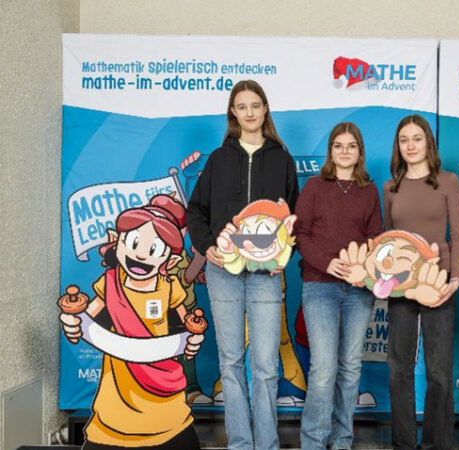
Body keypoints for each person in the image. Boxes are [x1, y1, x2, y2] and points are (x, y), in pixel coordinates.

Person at [186, 79, 298, 450]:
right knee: (231, 363)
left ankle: (266, 444)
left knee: (265, 365)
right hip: (223, 274)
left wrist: (284, 254)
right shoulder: (219, 160)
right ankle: (239, 444)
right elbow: (196, 211)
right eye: (242, 106)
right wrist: (207, 247)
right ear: (233, 113)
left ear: (265, 109)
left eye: (255, 105)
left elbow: (293, 218)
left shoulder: (282, 160)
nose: (249, 112)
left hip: (266, 276)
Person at [59, 194, 204, 449]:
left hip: (164, 398)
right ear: (118, 244)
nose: (141, 256)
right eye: (134, 242)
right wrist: (73, 323)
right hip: (117, 397)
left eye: (154, 249)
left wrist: (193, 339)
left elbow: (187, 324)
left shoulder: (169, 286)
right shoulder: (109, 283)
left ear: (169, 260)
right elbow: (88, 317)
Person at [294, 122, 382, 450]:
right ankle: (314, 442)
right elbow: (300, 234)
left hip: (358, 290)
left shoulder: (369, 191)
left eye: (351, 146)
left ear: (360, 152)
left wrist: (365, 268)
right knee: (323, 368)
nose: (345, 151)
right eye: (338, 145)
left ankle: (342, 439)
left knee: (350, 366)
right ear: (330, 151)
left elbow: (375, 237)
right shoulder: (315, 187)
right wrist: (326, 262)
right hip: (320, 286)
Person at [383, 114, 459, 450]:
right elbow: (388, 241)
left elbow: (457, 235)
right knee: (399, 369)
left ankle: (437, 443)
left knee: (439, 371)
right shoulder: (391, 187)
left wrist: (455, 277)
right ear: (398, 146)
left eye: (417, 138)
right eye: (404, 140)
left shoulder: (447, 181)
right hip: (401, 287)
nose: (411, 145)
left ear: (428, 142)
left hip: (438, 283)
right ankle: (403, 443)